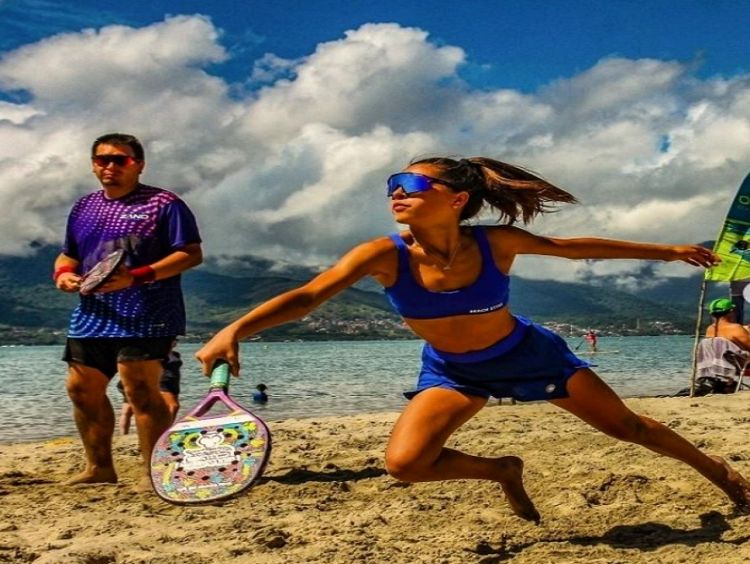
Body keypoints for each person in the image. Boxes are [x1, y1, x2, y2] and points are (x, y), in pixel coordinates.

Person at [195, 156, 750, 520]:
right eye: (392, 186)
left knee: (628, 427)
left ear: (457, 198)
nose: (396, 193)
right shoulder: (383, 254)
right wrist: (234, 327)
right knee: (406, 465)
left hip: (527, 355)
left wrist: (669, 251)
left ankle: (723, 474)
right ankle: (501, 469)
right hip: (453, 370)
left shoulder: (496, 243)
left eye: (411, 185)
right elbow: (310, 296)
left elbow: (574, 248)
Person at [53, 133, 202, 490]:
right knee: (80, 388)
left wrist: (137, 276)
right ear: (93, 165)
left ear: (139, 164)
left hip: (150, 311)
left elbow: (191, 254)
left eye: (121, 159)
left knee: (139, 388)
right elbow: (68, 255)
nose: (110, 166)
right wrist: (63, 275)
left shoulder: (164, 203)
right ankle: (99, 468)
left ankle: (156, 472)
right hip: (93, 313)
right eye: (103, 159)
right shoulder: (83, 207)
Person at [118, 347, 183, 434]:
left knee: (128, 411)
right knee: (172, 406)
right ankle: (165, 433)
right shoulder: (161, 355)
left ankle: (124, 434)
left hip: (133, 380)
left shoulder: (170, 354)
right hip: (159, 381)